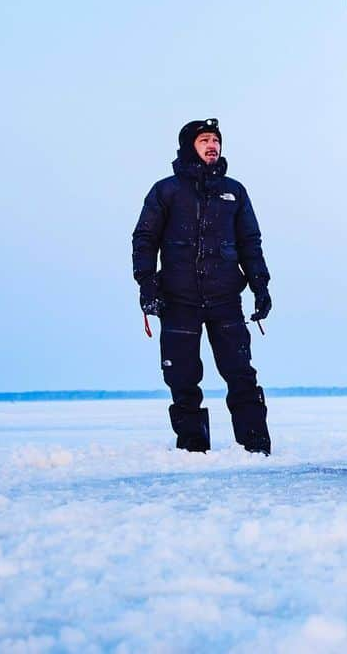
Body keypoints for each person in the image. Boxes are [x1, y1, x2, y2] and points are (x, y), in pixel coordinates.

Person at [132, 118, 272, 454]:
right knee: (182, 377)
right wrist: (147, 286)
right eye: (204, 140)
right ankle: (192, 446)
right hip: (178, 299)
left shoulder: (234, 192)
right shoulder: (166, 191)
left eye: (216, 140)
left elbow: (250, 242)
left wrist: (260, 286)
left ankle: (256, 445)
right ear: (188, 146)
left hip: (225, 298)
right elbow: (145, 239)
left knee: (240, 372)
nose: (212, 146)